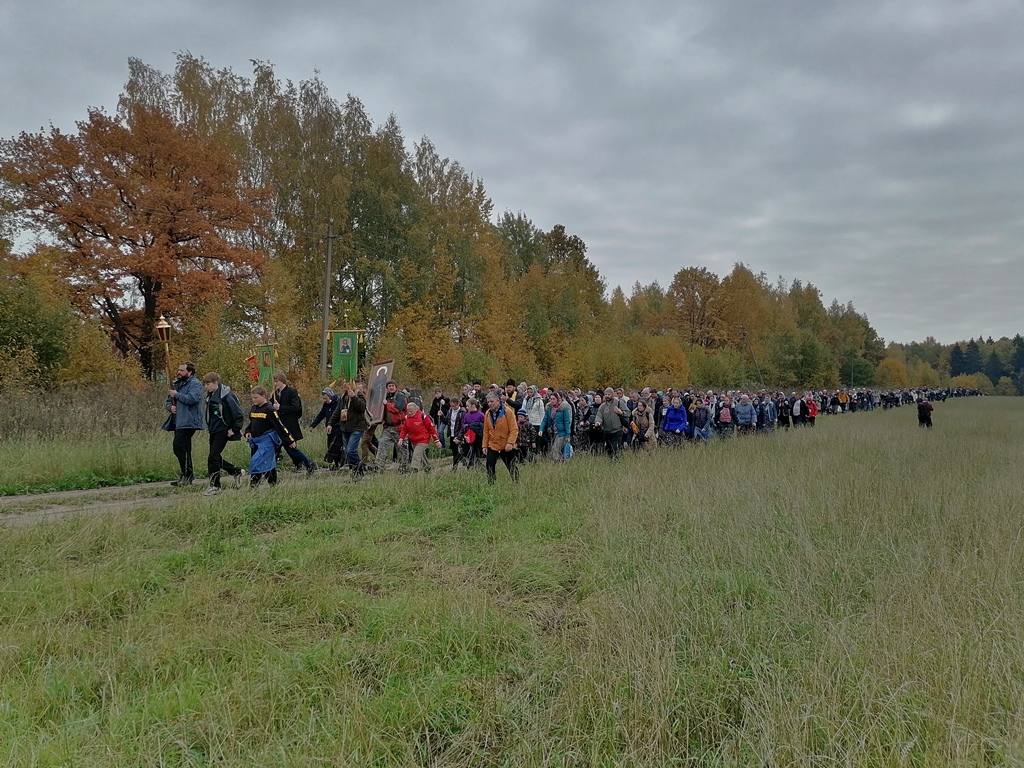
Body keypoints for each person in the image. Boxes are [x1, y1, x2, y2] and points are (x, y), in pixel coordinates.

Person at [201, 372, 246, 495]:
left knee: (212, 458)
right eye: (205, 384)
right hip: (214, 430)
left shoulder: (227, 397)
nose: (206, 386)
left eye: (208, 384)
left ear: (216, 383)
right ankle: (235, 471)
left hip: (223, 430)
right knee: (215, 457)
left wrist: (234, 429)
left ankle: (215, 486)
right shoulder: (210, 396)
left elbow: (239, 415)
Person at [245, 386, 299, 488]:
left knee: (263, 462)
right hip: (256, 441)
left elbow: (279, 426)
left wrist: (290, 440)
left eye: (256, 397)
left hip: (267, 441)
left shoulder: (269, 409)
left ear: (263, 396)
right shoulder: (254, 408)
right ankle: (255, 486)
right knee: (257, 462)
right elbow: (252, 424)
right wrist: (248, 432)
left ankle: (270, 484)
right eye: (252, 398)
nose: (254, 400)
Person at [165, 361, 204, 487]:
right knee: (185, 448)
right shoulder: (177, 384)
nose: (178, 372)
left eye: (182, 370)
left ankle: (187, 474)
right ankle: (187, 475)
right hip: (178, 420)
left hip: (189, 421)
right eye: (178, 370)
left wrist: (177, 395)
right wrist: (170, 407)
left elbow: (192, 399)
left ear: (189, 372)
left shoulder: (195, 384)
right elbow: (168, 400)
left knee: (178, 446)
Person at [270, 372, 316, 474]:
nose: (275, 384)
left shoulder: (291, 392)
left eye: (276, 381)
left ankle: (307, 463)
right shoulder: (274, 394)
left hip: (289, 425)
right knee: (281, 448)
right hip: (279, 425)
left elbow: (295, 407)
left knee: (290, 447)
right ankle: (301, 464)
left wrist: (280, 407)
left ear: (281, 381)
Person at [329, 381, 369, 474]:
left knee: (350, 450)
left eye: (346, 383)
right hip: (345, 428)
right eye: (343, 383)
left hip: (356, 427)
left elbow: (362, 407)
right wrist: (330, 423)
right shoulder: (343, 397)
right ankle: (356, 472)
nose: (344, 385)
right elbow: (338, 411)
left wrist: (354, 397)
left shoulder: (359, 394)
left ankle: (359, 469)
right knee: (347, 452)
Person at [482, 392, 520, 484]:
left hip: (506, 444)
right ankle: (491, 484)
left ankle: (517, 483)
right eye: (488, 402)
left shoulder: (508, 412)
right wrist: (485, 445)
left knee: (511, 465)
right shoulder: (487, 413)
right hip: (493, 444)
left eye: (492, 401)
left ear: (498, 401)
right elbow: (486, 431)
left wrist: (510, 443)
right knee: (489, 465)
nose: (490, 404)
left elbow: (514, 429)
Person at [374, 380, 408, 471]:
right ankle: (378, 467)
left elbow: (398, 408)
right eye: (389, 386)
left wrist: (387, 404)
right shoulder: (386, 397)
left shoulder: (401, 396)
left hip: (399, 427)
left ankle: (403, 467)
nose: (391, 387)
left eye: (393, 385)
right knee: (382, 444)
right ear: (387, 388)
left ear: (396, 387)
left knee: (402, 448)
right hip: (387, 427)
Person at [399, 401, 442, 472]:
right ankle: (428, 468)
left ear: (416, 410)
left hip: (423, 440)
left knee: (416, 454)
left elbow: (432, 429)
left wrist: (436, 440)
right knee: (422, 455)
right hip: (413, 440)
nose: (409, 413)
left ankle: (414, 469)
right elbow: (404, 429)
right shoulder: (407, 418)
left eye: (411, 411)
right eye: (408, 411)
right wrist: (401, 438)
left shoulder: (423, 417)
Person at [594, 387, 626, 460]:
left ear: (612, 394)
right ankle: (610, 462)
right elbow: (599, 415)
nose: (607, 396)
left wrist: (621, 412)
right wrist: (598, 421)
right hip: (607, 431)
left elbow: (628, 413)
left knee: (615, 447)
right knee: (608, 448)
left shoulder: (618, 402)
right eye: (606, 394)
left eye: (609, 394)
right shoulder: (602, 406)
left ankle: (617, 462)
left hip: (617, 430)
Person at [539, 390, 572, 461]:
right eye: (551, 399)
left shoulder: (564, 408)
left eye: (554, 399)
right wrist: (541, 429)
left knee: (555, 449)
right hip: (552, 432)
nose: (552, 400)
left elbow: (567, 422)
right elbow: (545, 419)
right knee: (552, 450)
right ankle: (560, 463)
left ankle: (558, 464)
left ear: (558, 399)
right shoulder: (549, 408)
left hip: (561, 433)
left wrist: (568, 435)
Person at [309, 387, 340, 461]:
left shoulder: (338, 403)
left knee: (335, 446)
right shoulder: (326, 405)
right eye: (324, 399)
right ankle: (335, 463)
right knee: (329, 445)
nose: (325, 400)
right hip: (329, 429)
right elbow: (321, 415)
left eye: (326, 398)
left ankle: (334, 461)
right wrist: (313, 425)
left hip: (337, 428)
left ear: (330, 396)